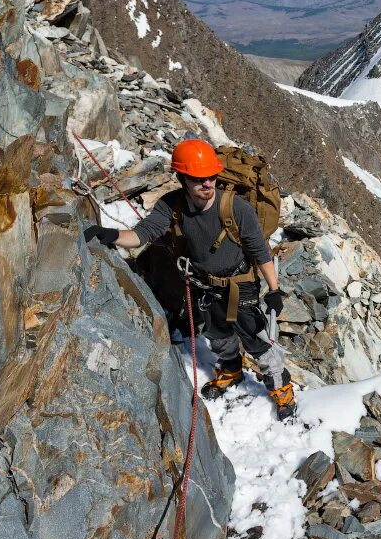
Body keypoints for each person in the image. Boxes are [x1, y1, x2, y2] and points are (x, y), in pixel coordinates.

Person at [84, 138, 296, 420]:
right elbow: (142, 234)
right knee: (216, 332)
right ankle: (231, 370)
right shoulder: (171, 205)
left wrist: (274, 289)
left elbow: (260, 252)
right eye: (198, 179)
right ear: (182, 178)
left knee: (255, 336)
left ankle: (281, 388)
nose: (207, 184)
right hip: (203, 282)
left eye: (211, 176)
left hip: (240, 282)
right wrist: (111, 235)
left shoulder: (236, 208)